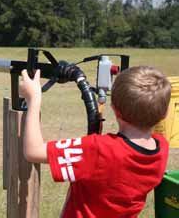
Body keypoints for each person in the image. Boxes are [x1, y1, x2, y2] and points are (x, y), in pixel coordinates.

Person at [19, 66, 171, 217]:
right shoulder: (162, 149)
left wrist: (34, 99)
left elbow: (33, 151)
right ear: (164, 115)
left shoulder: (99, 149)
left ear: (114, 109)